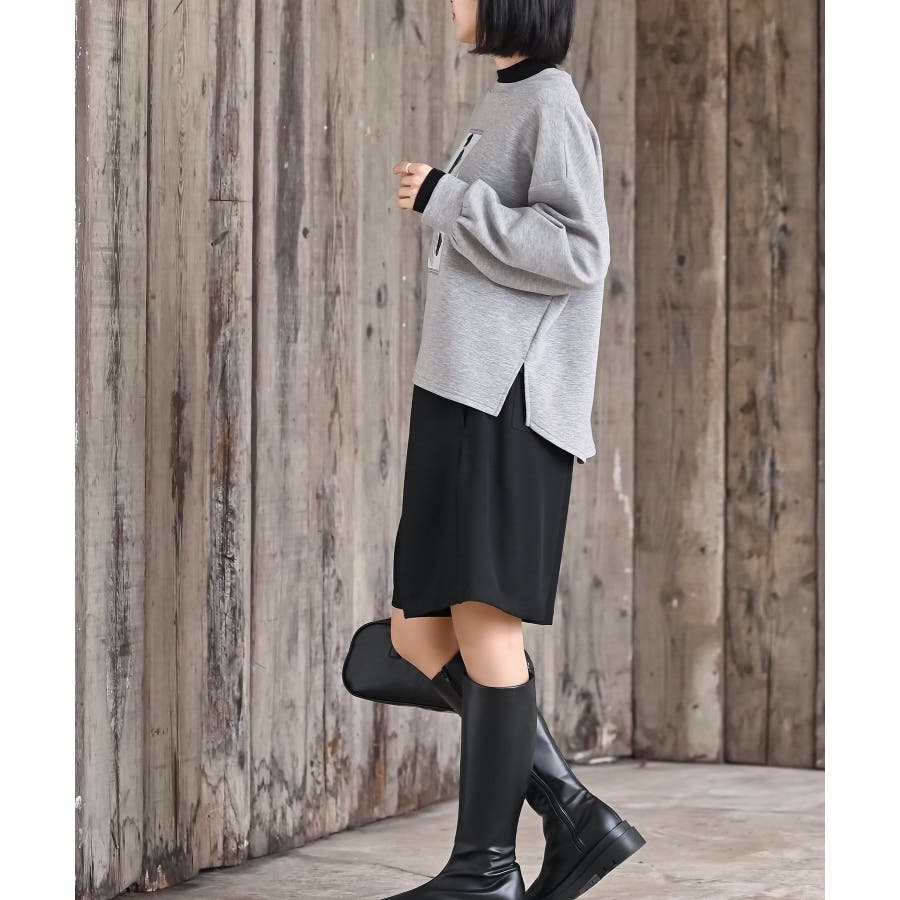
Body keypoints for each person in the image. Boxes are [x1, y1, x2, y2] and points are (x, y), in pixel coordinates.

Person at [380, 1, 644, 897]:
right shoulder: (508, 97)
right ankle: (571, 813)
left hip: (508, 400)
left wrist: (446, 198)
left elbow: (581, 252)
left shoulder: (551, 104)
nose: (453, 3)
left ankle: (485, 871)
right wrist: (448, 202)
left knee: (486, 624)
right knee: (417, 630)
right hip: (459, 389)